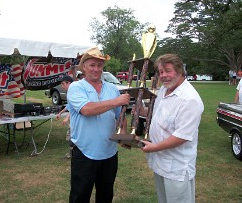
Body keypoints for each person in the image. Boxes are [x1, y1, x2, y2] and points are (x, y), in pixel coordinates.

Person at [136, 54, 204, 203]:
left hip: (177, 168)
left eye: (168, 71)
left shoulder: (189, 99)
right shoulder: (164, 90)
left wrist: (155, 147)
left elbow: (182, 136)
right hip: (161, 163)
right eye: (161, 72)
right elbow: (158, 112)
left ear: (180, 71)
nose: (164, 76)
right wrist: (143, 112)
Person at [67, 47, 130, 203]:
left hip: (109, 152)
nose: (96, 69)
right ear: (84, 67)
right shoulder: (76, 87)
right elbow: (87, 110)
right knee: (80, 196)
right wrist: (117, 101)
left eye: (99, 66)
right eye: (92, 65)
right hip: (84, 151)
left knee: (106, 195)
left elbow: (119, 115)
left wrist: (124, 132)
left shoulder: (112, 88)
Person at [56, 75, 74, 158]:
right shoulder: (70, 92)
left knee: (72, 137)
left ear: (69, 83)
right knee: (70, 137)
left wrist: (67, 117)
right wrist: (60, 112)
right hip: (73, 120)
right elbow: (69, 106)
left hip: (76, 121)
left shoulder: (74, 92)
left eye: (63, 84)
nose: (62, 86)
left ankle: (73, 154)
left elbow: (75, 107)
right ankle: (71, 153)